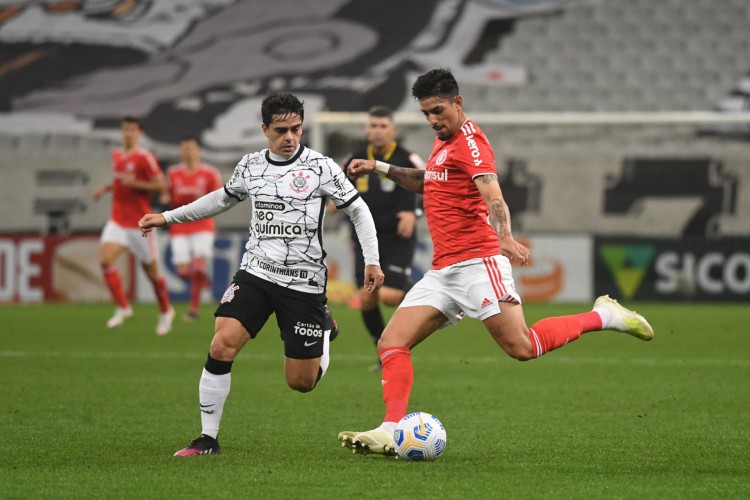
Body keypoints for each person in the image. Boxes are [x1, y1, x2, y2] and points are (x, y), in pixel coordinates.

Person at [338, 68, 654, 456]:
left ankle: (603, 316)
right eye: (425, 114)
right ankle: (390, 427)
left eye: (438, 110)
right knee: (391, 342)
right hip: (443, 271)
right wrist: (379, 167)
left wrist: (504, 235)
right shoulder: (443, 141)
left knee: (523, 347)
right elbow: (428, 181)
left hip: (477, 263)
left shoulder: (470, 142)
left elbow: (494, 196)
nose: (433, 119)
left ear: (458, 102)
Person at [138, 92, 384, 456]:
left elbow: (359, 211)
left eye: (296, 129)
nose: (290, 137)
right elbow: (220, 199)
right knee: (222, 343)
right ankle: (208, 438)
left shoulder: (321, 167)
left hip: (303, 282)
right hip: (255, 271)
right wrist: (167, 217)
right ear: (264, 129)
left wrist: (372, 260)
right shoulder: (251, 166)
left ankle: (324, 332)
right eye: (281, 130)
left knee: (300, 383)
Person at [341, 106, 425, 370]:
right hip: (366, 239)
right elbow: (340, 191)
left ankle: (428, 298)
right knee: (366, 298)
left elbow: (433, 186)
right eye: (373, 126)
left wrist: (415, 212)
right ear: (367, 130)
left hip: (398, 236)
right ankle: (384, 348)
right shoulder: (354, 159)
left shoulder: (407, 158)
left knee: (389, 295)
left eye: (383, 126)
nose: (377, 131)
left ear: (392, 130)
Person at [93, 116, 175, 336]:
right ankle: (123, 307)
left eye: (132, 129)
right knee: (104, 260)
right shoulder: (117, 155)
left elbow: (160, 184)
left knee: (151, 272)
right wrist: (106, 188)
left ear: (139, 133)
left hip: (140, 224)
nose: (127, 133)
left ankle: (166, 310)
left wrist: (136, 183)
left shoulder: (144, 157)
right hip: (118, 220)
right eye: (125, 129)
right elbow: (121, 182)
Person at [161, 136, 224, 322]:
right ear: (181, 152)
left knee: (197, 267)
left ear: (198, 151)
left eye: (191, 148)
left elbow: (219, 198)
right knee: (182, 271)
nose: (188, 152)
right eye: (184, 148)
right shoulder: (173, 173)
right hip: (179, 226)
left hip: (203, 225)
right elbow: (166, 195)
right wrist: (164, 200)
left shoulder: (210, 173)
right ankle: (203, 281)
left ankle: (193, 309)